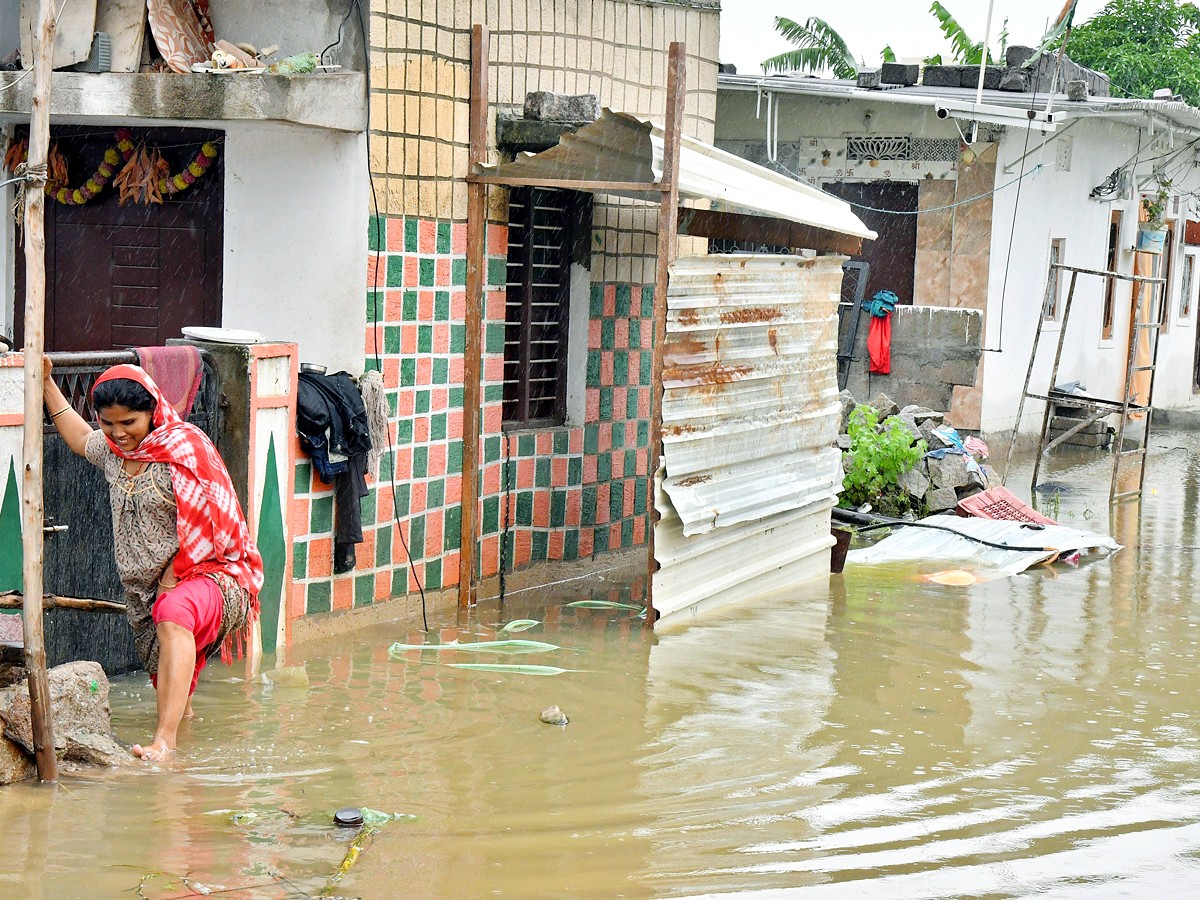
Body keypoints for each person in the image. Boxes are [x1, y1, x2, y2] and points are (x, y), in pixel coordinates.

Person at [42, 359, 263, 761]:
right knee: (170, 684)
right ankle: (185, 746)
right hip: (144, 592)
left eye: (128, 422)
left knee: (174, 613)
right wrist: (45, 384)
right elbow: (78, 437)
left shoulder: (183, 448)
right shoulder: (112, 452)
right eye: (108, 424)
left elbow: (211, 524)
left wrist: (169, 575)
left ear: (153, 411)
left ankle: (165, 742)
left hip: (213, 576)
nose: (118, 433)